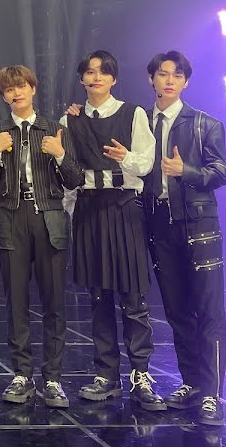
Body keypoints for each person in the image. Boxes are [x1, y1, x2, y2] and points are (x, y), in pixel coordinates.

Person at [0, 65, 82, 409]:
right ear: (3, 96)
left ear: (33, 88)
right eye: (9, 89)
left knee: (54, 301)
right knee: (16, 301)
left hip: (49, 217)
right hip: (11, 217)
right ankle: (22, 374)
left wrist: (60, 154)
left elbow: (75, 179)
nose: (16, 93)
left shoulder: (54, 129)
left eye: (21, 86)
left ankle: (53, 378)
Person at [61, 50, 164, 411]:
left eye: (103, 72)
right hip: (89, 209)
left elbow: (147, 162)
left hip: (124, 207)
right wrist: (71, 214)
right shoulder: (69, 119)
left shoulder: (132, 113)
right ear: (81, 79)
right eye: (90, 72)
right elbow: (66, 173)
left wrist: (126, 158)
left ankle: (141, 374)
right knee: (99, 297)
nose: (96, 77)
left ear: (113, 79)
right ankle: (106, 374)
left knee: (133, 297)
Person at [142, 51, 226, 425]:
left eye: (177, 75)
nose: (170, 81)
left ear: (185, 82)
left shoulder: (205, 124)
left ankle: (211, 394)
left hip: (198, 226)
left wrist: (186, 170)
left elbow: (221, 171)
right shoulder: (140, 122)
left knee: (208, 310)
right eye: (163, 74)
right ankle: (191, 383)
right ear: (152, 79)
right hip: (159, 225)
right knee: (176, 311)